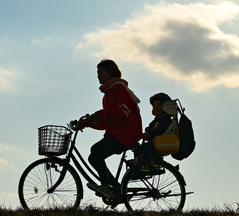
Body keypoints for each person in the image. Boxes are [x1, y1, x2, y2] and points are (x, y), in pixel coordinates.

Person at [73, 59, 142, 197]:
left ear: (110, 72)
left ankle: (107, 186)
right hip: (121, 131)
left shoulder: (118, 88)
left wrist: (98, 115)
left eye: (100, 72)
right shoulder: (108, 94)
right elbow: (108, 121)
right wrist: (88, 123)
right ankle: (115, 187)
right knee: (94, 157)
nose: (98, 76)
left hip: (127, 131)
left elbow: (122, 112)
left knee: (96, 151)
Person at [138, 92, 175, 166]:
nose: (156, 108)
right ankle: (143, 164)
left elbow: (160, 130)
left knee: (146, 146)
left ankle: (152, 162)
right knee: (139, 148)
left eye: (159, 105)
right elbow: (149, 127)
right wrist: (147, 131)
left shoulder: (166, 120)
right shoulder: (157, 120)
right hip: (156, 141)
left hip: (162, 141)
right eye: (154, 106)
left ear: (166, 107)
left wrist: (149, 133)